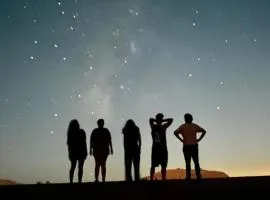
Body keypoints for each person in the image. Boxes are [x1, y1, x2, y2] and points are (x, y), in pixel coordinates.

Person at [174, 113, 206, 180]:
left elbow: (175, 132)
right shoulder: (194, 126)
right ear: (191, 119)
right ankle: (198, 176)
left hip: (186, 146)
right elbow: (204, 131)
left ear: (185, 119)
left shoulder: (182, 126)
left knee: (187, 162)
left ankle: (188, 176)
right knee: (196, 161)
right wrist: (199, 139)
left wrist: (181, 140)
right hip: (194, 145)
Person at [149, 113, 173, 181]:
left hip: (159, 148)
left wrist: (158, 121)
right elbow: (170, 120)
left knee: (159, 165)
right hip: (160, 148)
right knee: (159, 165)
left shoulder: (155, 126)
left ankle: (155, 179)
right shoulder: (162, 127)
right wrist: (161, 121)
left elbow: (150, 120)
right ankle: (161, 179)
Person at [67, 119, 87, 183]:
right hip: (79, 151)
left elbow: (69, 145)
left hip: (75, 152)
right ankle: (79, 181)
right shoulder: (81, 132)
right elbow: (84, 142)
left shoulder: (71, 133)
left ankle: (71, 182)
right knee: (79, 167)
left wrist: (69, 153)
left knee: (73, 167)